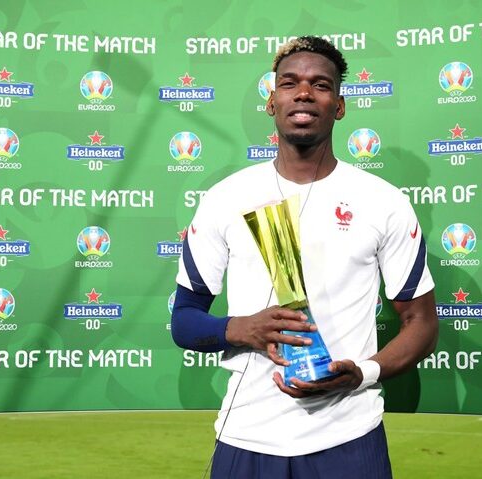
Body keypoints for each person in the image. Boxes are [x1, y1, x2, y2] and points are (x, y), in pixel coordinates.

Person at [171, 36, 438, 479]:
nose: (304, 93)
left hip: (349, 434)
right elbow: (184, 320)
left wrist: (364, 373)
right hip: (247, 436)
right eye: (289, 83)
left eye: (321, 85)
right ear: (271, 102)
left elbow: (422, 323)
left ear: (340, 106)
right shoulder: (225, 198)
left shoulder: (383, 202)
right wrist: (241, 329)